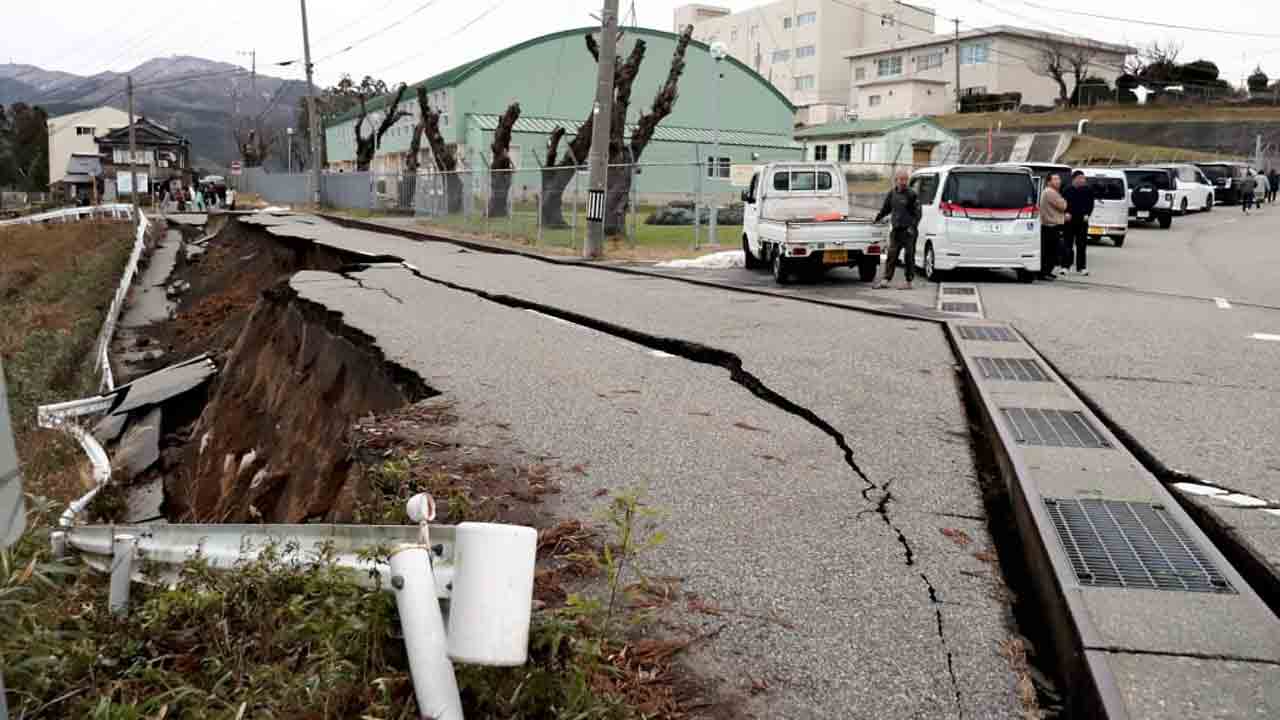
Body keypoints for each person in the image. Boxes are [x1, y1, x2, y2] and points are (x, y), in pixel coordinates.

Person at [872, 170, 922, 289]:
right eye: (901, 179)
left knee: (909, 256)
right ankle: (886, 280)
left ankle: (908, 282)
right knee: (891, 255)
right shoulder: (892, 193)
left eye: (906, 179)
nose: (904, 182)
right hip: (896, 231)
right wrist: (877, 218)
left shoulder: (911, 194)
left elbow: (918, 214)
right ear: (896, 180)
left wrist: (912, 228)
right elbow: (886, 209)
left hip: (909, 231)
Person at [1061, 171, 1095, 276]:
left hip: (1082, 221)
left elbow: (1091, 204)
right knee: (1067, 244)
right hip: (1069, 221)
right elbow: (1062, 203)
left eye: (1083, 178)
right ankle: (1065, 266)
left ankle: (1081, 267)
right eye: (1080, 178)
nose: (1082, 180)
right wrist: (1065, 213)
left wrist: (1088, 214)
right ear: (1074, 179)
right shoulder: (1067, 190)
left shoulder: (1088, 190)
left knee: (1081, 245)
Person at [1038, 173, 1068, 280]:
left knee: (1050, 250)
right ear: (1049, 182)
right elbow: (1063, 206)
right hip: (1051, 226)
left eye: (1059, 179)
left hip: (1049, 225)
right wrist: (1064, 201)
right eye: (1055, 179)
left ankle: (1046, 272)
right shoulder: (1051, 192)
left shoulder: (1050, 192)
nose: (1058, 181)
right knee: (1050, 251)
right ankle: (1044, 272)